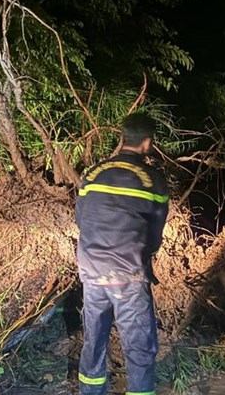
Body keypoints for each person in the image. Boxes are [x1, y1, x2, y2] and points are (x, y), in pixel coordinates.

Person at [75, 112, 170, 395]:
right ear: (148, 142)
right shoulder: (152, 180)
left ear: (123, 137)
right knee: (139, 345)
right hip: (127, 274)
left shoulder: (92, 173)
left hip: (91, 272)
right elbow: (154, 235)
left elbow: (81, 220)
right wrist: (145, 256)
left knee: (94, 340)